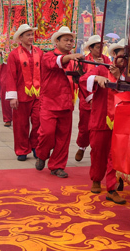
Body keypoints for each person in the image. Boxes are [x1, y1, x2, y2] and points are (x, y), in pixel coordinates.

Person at [79, 39, 126, 204]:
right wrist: (97, 79)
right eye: (121, 55)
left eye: (127, 56)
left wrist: (122, 79)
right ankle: (96, 178)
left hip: (122, 120)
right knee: (98, 150)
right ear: (114, 54)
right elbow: (83, 81)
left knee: (117, 154)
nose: (123, 59)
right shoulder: (101, 68)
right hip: (101, 118)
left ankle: (112, 187)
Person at [34, 26, 83, 178]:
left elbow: (80, 77)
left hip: (66, 103)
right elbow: (56, 62)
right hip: (49, 102)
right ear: (57, 41)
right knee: (46, 133)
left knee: (63, 137)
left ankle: (57, 166)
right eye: (66, 40)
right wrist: (72, 57)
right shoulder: (48, 56)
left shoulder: (73, 59)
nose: (69, 43)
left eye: (71, 40)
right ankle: (42, 154)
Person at [6, 24, 44, 161]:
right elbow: (11, 76)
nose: (30, 37)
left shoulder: (39, 52)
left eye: (31, 34)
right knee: (20, 124)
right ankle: (22, 149)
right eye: (27, 35)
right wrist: (12, 97)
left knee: (39, 120)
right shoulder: (14, 55)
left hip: (38, 94)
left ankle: (35, 146)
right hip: (21, 94)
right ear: (20, 38)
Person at [74, 35, 112, 162]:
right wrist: (89, 98)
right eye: (97, 47)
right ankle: (82, 146)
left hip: (102, 100)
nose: (100, 50)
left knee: (101, 128)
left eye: (102, 47)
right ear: (90, 48)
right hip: (87, 99)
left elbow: (112, 75)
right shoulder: (85, 60)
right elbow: (81, 80)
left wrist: (104, 66)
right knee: (84, 127)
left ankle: (98, 152)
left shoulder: (106, 59)